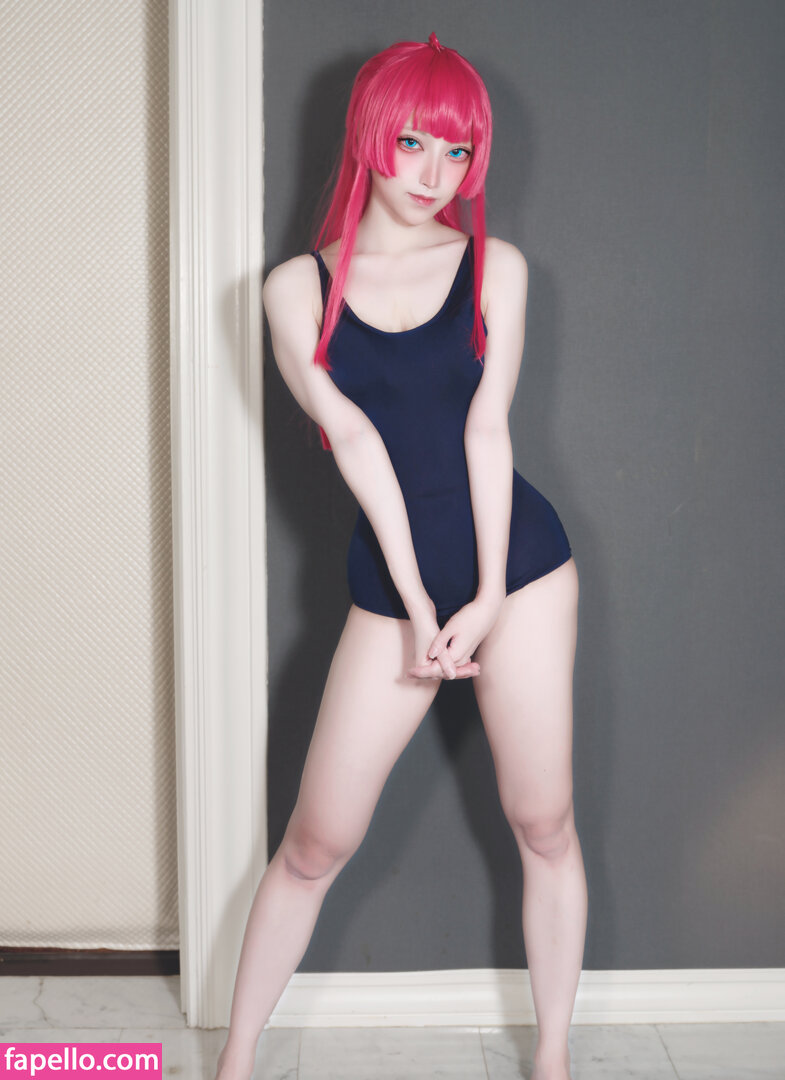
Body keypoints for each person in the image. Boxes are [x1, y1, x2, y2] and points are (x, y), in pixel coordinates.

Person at [216, 32, 587, 1080]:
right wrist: (420, 604)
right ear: (368, 136)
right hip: (392, 586)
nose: (433, 175)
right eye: (414, 143)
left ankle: (552, 1060)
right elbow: (354, 440)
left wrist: (487, 596)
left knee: (542, 821)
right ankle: (234, 1063)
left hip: (519, 568)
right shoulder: (294, 289)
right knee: (313, 844)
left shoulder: (494, 268)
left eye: (457, 153)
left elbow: (485, 431)